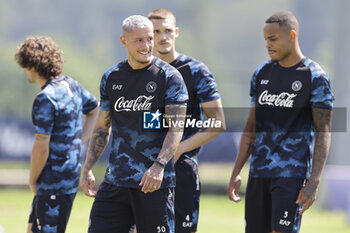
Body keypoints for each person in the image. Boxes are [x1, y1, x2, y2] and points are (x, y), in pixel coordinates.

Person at [227, 11, 335, 233]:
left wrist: (313, 182)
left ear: (292, 35)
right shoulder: (261, 73)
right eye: (266, 39)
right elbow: (251, 128)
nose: (268, 44)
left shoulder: (315, 77)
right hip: (258, 174)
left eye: (273, 39)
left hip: (290, 177)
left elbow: (324, 131)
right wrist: (237, 171)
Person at [80, 15, 188, 233]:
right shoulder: (111, 77)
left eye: (150, 39)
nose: (147, 45)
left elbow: (175, 129)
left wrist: (158, 166)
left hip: (154, 184)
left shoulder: (169, 77)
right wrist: (88, 167)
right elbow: (102, 126)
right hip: (116, 182)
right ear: (124, 41)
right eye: (139, 40)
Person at [146, 8, 226, 233]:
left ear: (176, 32)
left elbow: (218, 122)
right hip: (144, 170)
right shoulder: (142, 72)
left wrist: (180, 148)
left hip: (181, 170)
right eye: (156, 32)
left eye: (167, 31)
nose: (163, 37)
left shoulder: (196, 71)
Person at [14, 36, 99, 233]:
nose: (23, 68)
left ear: (32, 64)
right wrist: (78, 140)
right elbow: (95, 110)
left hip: (52, 181)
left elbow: (41, 147)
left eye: (24, 64)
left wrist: (32, 179)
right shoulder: (72, 85)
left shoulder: (45, 98)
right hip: (68, 177)